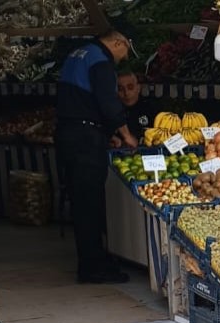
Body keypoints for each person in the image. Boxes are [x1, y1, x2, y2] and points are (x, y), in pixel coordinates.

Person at [56, 29, 136, 284]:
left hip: (70, 133)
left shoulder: (77, 54)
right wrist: (126, 135)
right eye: (125, 52)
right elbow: (107, 102)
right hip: (84, 140)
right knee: (90, 204)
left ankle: (96, 259)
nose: (123, 59)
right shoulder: (100, 61)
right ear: (118, 42)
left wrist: (104, 133)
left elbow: (80, 99)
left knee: (81, 202)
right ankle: (92, 268)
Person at [115, 70, 155, 145]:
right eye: (121, 89)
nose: (126, 93)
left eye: (130, 87)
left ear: (138, 88)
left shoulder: (151, 109)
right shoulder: (112, 113)